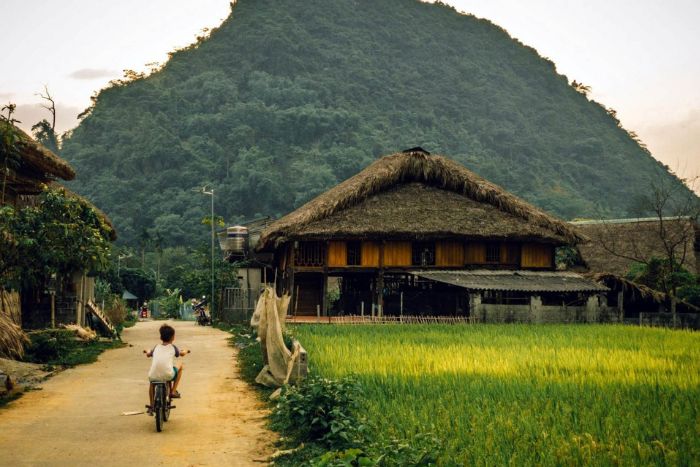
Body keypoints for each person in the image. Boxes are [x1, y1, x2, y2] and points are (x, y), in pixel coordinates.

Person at [144, 324, 189, 414]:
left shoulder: (156, 347)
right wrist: (186, 351)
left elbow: (148, 354)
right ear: (173, 337)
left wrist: (147, 350)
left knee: (152, 383)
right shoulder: (173, 347)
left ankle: (152, 405)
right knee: (180, 365)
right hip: (168, 375)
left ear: (161, 337)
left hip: (153, 375)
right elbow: (182, 354)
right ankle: (173, 391)